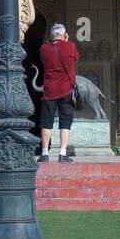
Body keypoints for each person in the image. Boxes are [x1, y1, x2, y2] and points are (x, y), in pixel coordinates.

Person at [38, 23, 79, 163]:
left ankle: (44, 153)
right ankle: (62, 153)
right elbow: (75, 57)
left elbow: (44, 60)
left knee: (46, 122)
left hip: (49, 90)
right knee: (65, 122)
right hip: (66, 90)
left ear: (51, 35)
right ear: (65, 35)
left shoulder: (44, 48)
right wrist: (66, 42)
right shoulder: (71, 46)